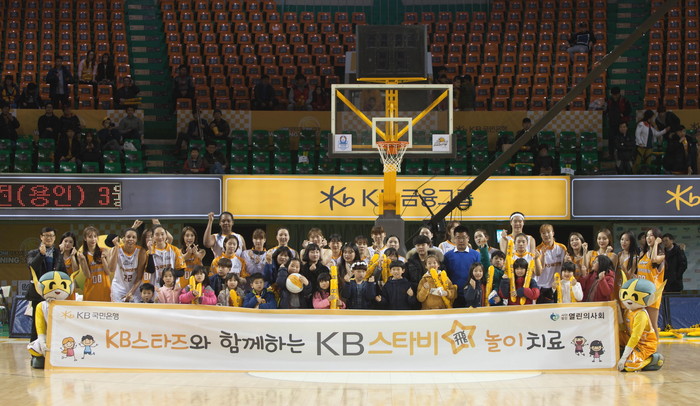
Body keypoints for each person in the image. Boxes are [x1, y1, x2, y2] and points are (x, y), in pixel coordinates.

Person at [26, 227, 66, 344]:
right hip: (38, 294)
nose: (49, 238)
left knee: (54, 321)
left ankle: (52, 346)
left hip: (55, 294)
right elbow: (32, 267)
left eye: (51, 236)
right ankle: (35, 348)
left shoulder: (58, 253)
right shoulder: (33, 253)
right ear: (41, 237)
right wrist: (41, 254)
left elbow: (63, 272)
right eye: (46, 235)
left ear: (54, 238)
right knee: (37, 322)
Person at [637, 228, 666, 335]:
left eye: (651, 236)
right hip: (640, 293)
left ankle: (656, 345)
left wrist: (657, 244)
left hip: (652, 293)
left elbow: (653, 259)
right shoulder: (643, 254)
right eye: (647, 236)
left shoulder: (661, 255)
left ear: (657, 238)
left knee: (653, 325)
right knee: (643, 324)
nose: (648, 238)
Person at [443, 225, 481, 307]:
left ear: (468, 238)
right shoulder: (447, 256)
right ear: (454, 239)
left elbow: (480, 275)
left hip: (472, 294)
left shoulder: (476, 255)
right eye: (458, 238)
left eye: (463, 237)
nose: (461, 240)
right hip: (454, 295)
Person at [108, 228, 146, 302]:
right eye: (128, 237)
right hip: (118, 287)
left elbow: (139, 277)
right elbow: (111, 269)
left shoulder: (141, 251)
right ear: (124, 238)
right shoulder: (116, 249)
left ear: (136, 240)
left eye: (133, 237)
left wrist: (131, 292)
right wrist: (116, 247)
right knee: (118, 308)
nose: (131, 239)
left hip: (135, 287)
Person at [143, 225, 186, 289]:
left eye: (162, 234)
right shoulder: (148, 252)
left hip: (173, 289)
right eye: (157, 234)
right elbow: (150, 270)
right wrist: (150, 253)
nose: (160, 237)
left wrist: (166, 273)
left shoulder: (175, 250)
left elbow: (181, 272)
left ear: (166, 236)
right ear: (153, 237)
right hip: (156, 288)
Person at [535, 224, 568, 304]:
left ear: (553, 233)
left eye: (548, 232)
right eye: (543, 233)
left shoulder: (562, 248)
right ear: (541, 235)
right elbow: (539, 270)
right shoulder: (538, 250)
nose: (546, 235)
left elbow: (565, 267)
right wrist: (543, 255)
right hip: (542, 287)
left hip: (557, 286)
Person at [77, 226, 111, 302]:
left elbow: (108, 272)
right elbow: (88, 275)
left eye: (95, 236)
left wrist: (103, 258)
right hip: (90, 291)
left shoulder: (104, 251)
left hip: (104, 289)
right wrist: (83, 260)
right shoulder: (82, 255)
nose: (93, 239)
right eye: (90, 237)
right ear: (85, 238)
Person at [606, 87, 631, 159]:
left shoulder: (625, 100)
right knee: (611, 139)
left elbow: (629, 110)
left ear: (619, 94)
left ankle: (623, 155)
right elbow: (607, 110)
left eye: (616, 95)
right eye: (613, 95)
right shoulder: (609, 100)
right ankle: (611, 154)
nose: (615, 96)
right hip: (612, 123)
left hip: (622, 123)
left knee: (623, 139)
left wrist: (623, 114)